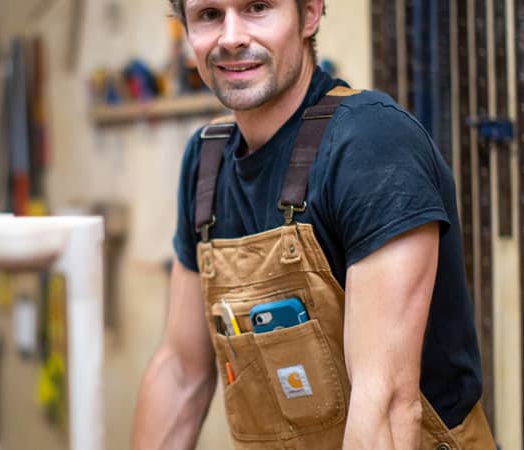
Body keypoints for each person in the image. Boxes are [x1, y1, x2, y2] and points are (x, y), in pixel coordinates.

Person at [132, 0, 496, 448]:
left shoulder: (371, 144)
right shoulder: (206, 162)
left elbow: (384, 404)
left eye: (257, 7)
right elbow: (181, 372)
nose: (230, 37)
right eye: (209, 14)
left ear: (309, 13)